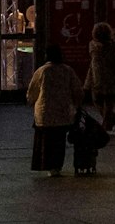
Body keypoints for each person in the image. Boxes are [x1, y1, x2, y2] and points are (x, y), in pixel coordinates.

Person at [25, 42, 82, 177]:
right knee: (59, 141)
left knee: (46, 140)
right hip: (63, 113)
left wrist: (30, 101)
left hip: (45, 113)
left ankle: (48, 164)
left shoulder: (42, 71)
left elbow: (33, 91)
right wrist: (76, 105)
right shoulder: (67, 70)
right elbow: (77, 90)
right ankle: (57, 165)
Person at [85, 22, 115, 131]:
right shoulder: (113, 46)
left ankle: (109, 122)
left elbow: (92, 65)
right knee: (108, 103)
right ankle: (112, 120)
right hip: (111, 78)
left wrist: (88, 81)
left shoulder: (92, 46)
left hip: (96, 77)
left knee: (97, 100)